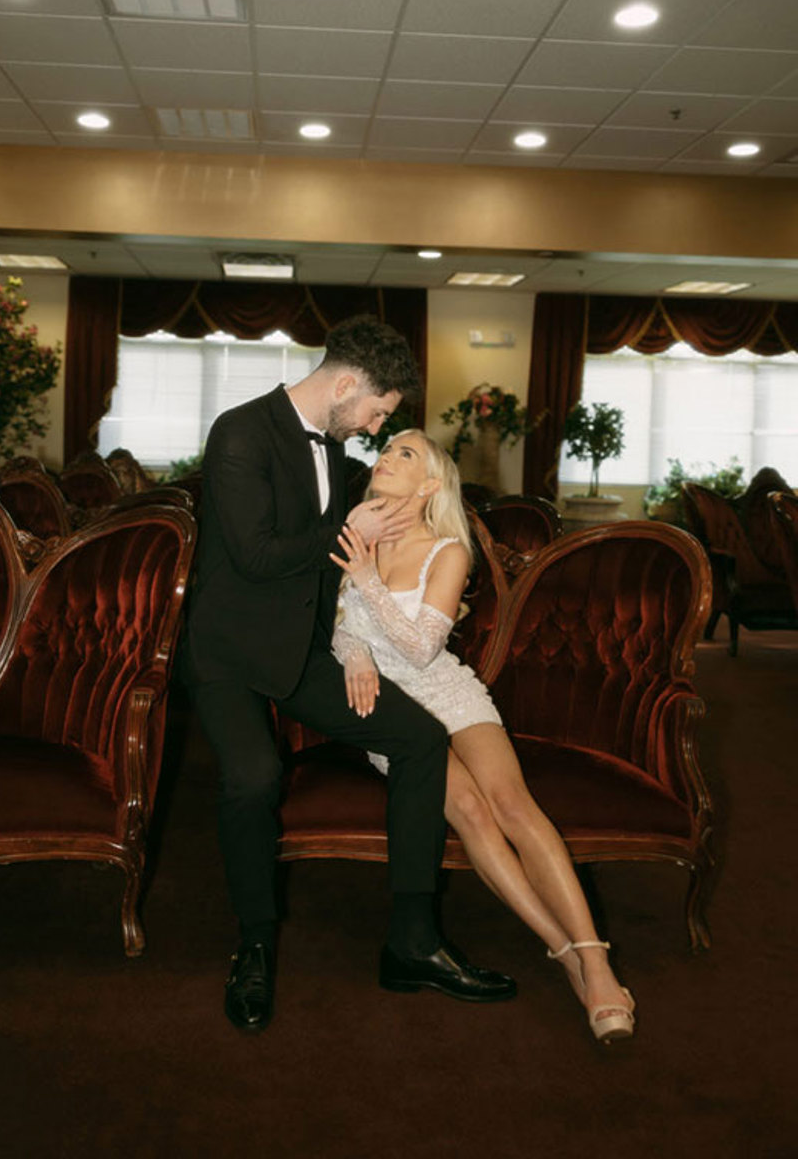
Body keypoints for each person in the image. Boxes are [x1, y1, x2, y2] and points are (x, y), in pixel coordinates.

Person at [185, 317, 516, 1033]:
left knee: (420, 740)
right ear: (343, 385)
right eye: (375, 411)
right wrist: (354, 535)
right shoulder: (239, 433)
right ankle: (254, 942)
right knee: (252, 776)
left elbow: (389, 522)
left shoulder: (338, 455)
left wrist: (415, 538)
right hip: (231, 654)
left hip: (303, 652)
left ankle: (412, 940)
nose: (374, 427)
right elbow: (257, 557)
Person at [330, 428, 636, 1044]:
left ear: (431, 486)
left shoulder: (448, 551)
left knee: (513, 806)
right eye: (385, 450)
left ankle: (596, 960)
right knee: (469, 811)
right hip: (388, 713)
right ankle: (566, 953)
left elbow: (421, 650)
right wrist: (354, 653)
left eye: (405, 454)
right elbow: (337, 628)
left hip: (445, 690)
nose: (386, 457)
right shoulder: (356, 533)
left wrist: (365, 581)